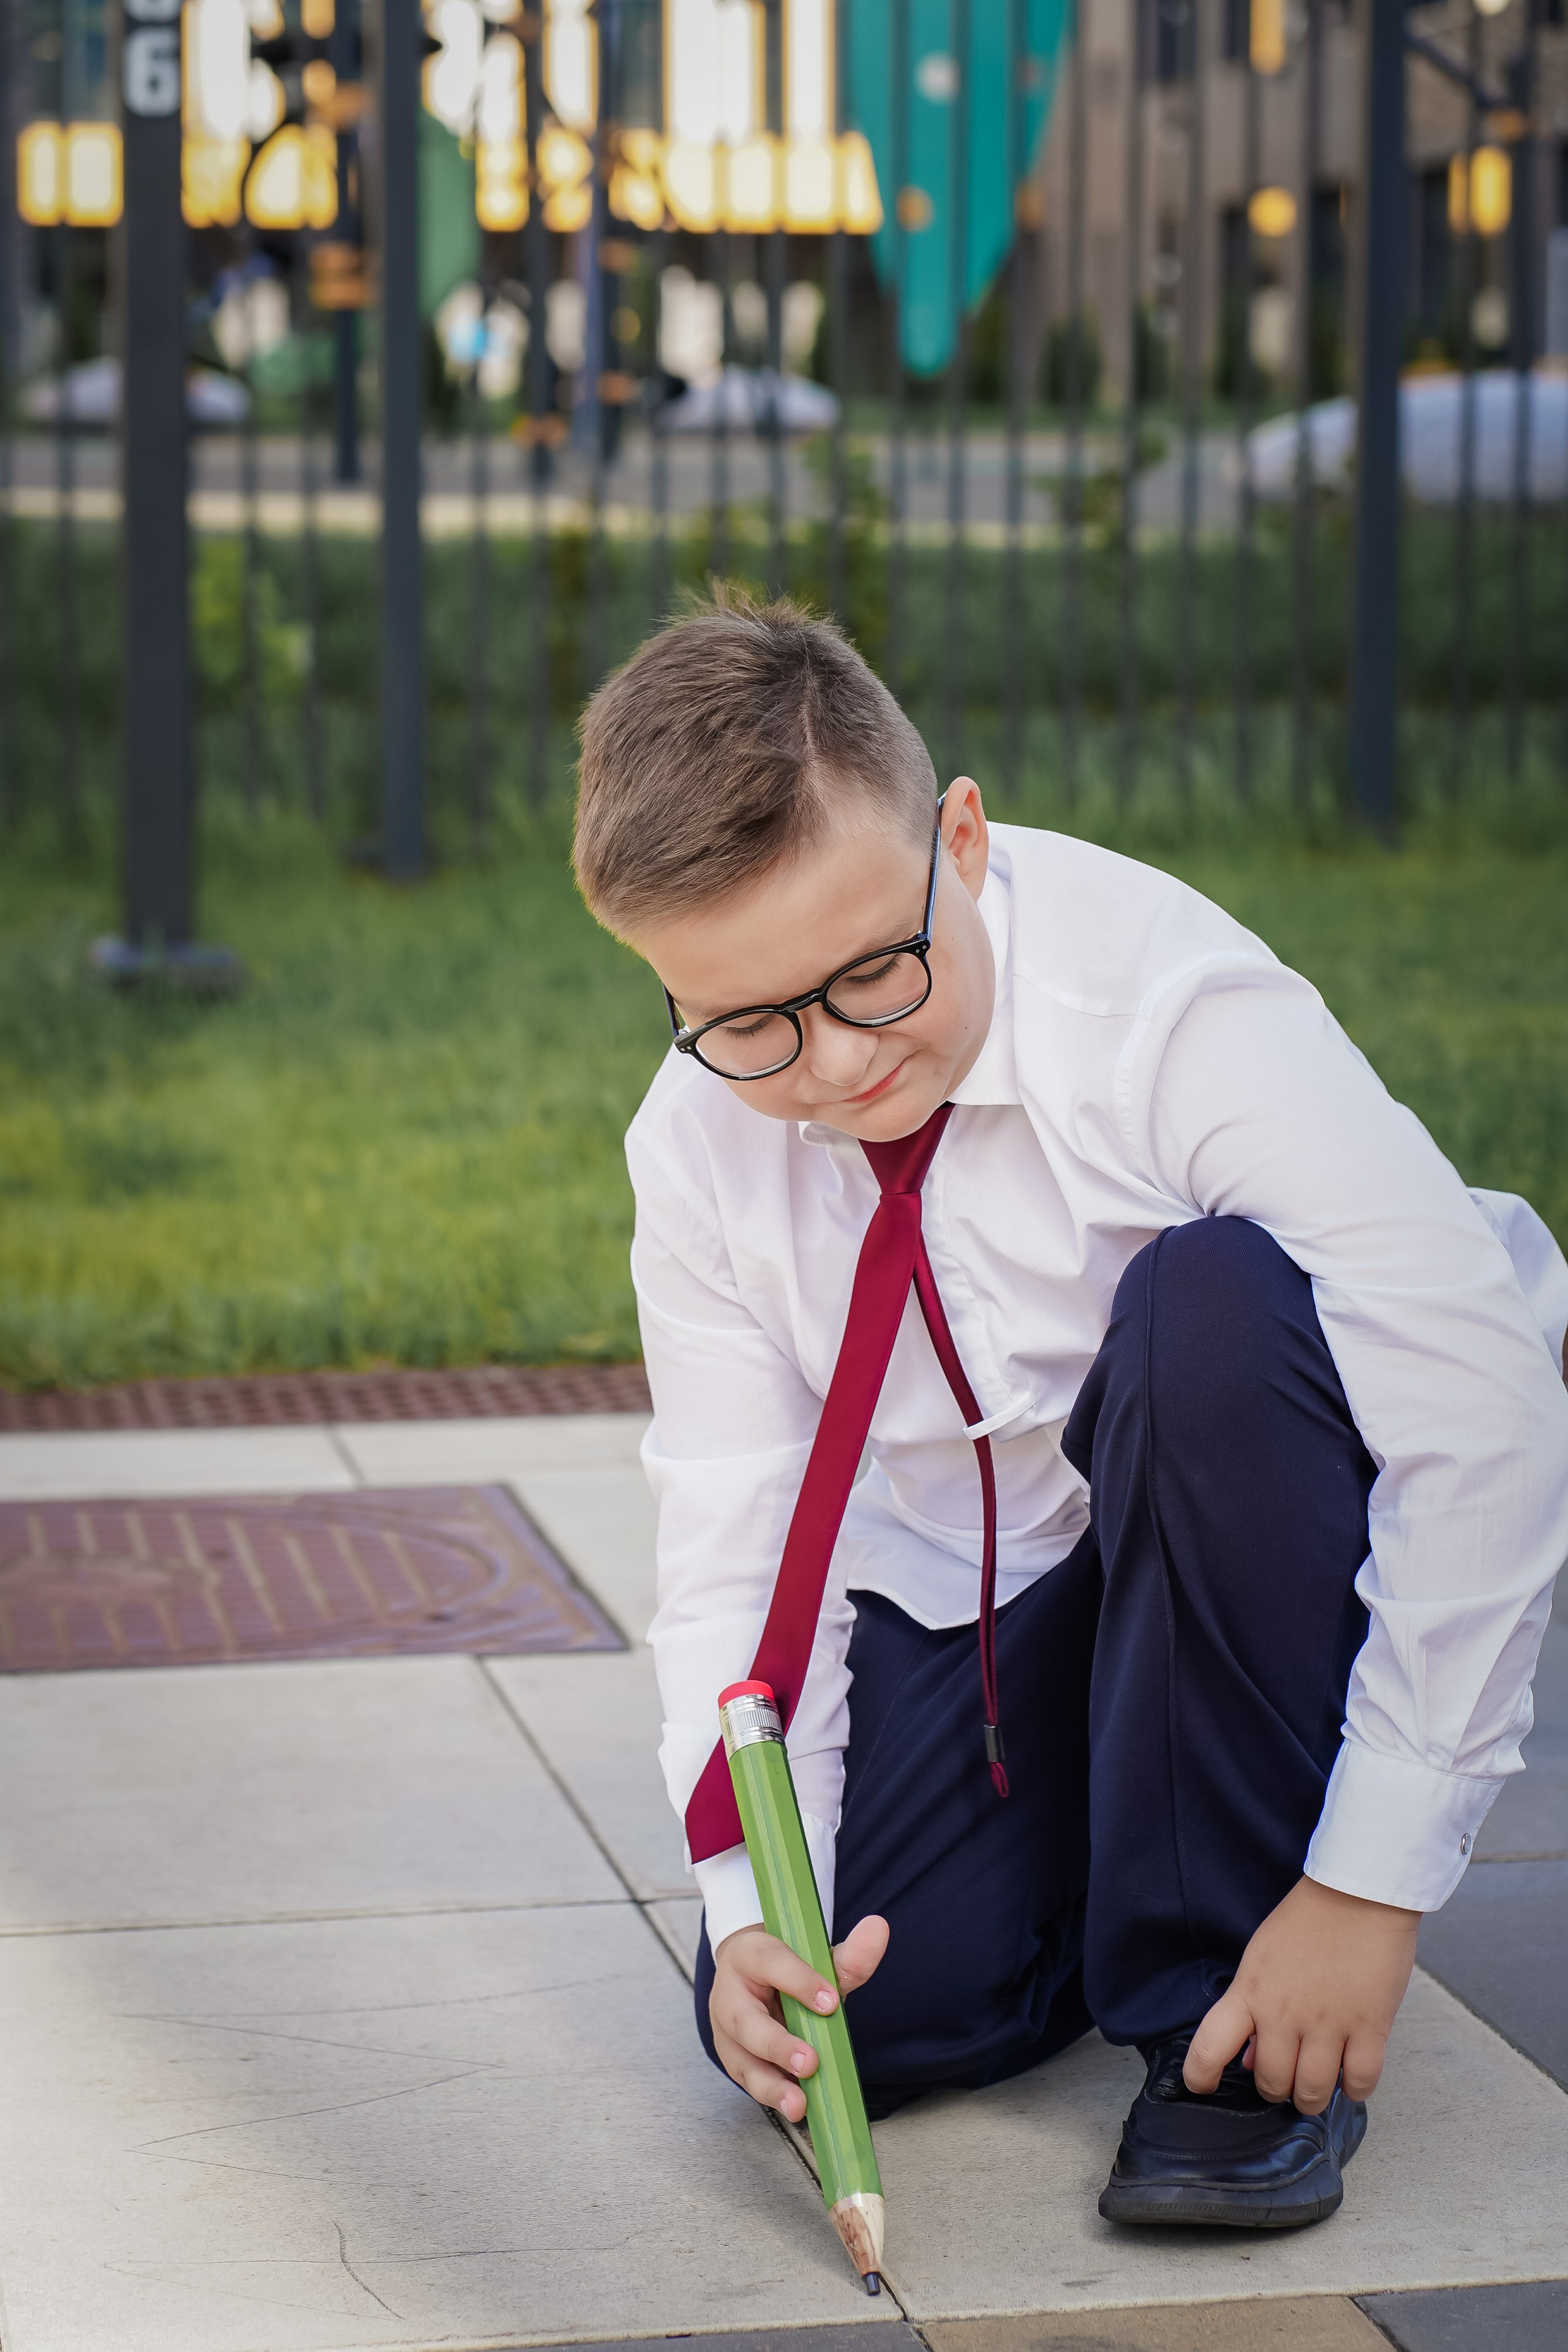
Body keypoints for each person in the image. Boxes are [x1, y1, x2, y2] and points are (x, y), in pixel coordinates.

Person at [573, 592, 1568, 2230]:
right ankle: (1139, 1815)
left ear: (958, 840)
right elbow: (738, 1529)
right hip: (1012, 1580)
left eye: (871, 975)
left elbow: (1483, 1413)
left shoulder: (1169, 1015)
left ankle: (1219, 2017)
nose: (832, 1065)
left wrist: (1364, 1885)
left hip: (1272, 1488)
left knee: (1204, 1309)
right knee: (848, 2018)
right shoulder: (698, 1138)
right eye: (747, 1024)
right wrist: (754, 1897)